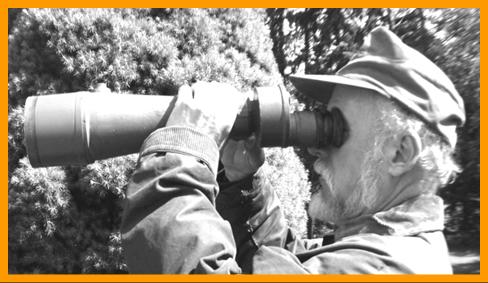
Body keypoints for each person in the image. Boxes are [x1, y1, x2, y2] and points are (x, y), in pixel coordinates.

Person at [120, 26, 465, 274]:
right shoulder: (384, 246)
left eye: (335, 129)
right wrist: (244, 186)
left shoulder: (382, 268)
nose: (317, 149)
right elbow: (289, 265)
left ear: (400, 153)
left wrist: (183, 154)